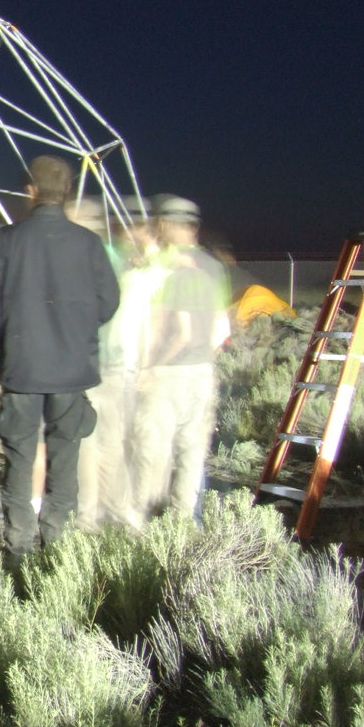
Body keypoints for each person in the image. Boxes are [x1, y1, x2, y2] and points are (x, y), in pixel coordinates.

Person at [0, 156, 120, 565]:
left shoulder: (8, 241)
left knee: (20, 460)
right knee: (65, 459)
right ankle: (57, 549)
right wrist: (77, 328)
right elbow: (109, 300)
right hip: (72, 371)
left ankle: (18, 551)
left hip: (22, 369)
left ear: (30, 190)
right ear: (67, 192)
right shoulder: (88, 243)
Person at [130, 196, 230, 522]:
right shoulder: (213, 267)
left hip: (166, 373)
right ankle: (184, 523)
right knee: (192, 454)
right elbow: (222, 327)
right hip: (201, 371)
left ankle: (141, 525)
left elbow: (155, 326)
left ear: (166, 224)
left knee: (151, 452)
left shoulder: (163, 266)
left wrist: (149, 366)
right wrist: (202, 357)